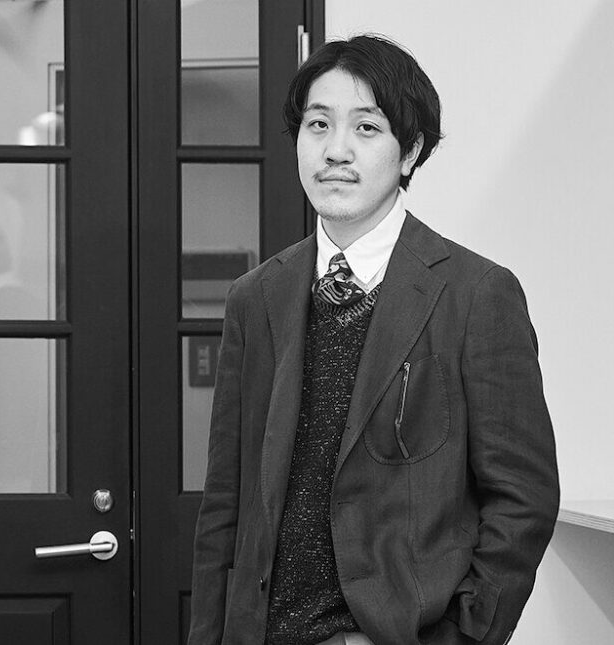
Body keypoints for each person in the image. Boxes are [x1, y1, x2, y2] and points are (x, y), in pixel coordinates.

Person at [188, 34, 559, 645]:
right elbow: (226, 504)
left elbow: (524, 499)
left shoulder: (475, 294)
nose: (336, 150)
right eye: (318, 125)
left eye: (366, 128)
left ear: (409, 151)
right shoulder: (255, 297)